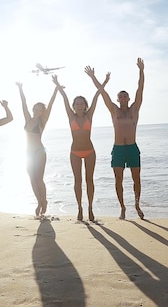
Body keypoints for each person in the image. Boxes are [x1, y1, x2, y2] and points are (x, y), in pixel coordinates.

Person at [86, 58, 145, 220]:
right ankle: (122, 207)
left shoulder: (135, 109)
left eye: (126, 96)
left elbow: (140, 89)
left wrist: (141, 71)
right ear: (118, 99)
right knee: (118, 179)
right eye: (121, 97)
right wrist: (93, 77)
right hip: (118, 148)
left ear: (129, 99)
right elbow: (102, 93)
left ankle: (137, 204)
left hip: (132, 148)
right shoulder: (114, 111)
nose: (124, 99)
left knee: (136, 179)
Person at [51, 71, 109, 221]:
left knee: (90, 180)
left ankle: (90, 207)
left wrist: (103, 82)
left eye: (81, 104)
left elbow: (97, 95)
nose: (79, 106)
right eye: (76, 104)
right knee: (78, 180)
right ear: (74, 106)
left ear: (85, 106)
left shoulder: (89, 115)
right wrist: (58, 85)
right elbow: (64, 98)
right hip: (75, 152)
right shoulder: (71, 116)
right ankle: (79, 208)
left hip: (90, 151)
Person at [16, 82, 59, 218]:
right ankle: (39, 202)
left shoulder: (42, 121)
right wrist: (21, 89)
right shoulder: (28, 119)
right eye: (36, 108)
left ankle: (44, 200)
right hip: (28, 153)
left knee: (39, 179)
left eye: (41, 110)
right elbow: (23, 104)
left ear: (42, 112)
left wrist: (56, 89)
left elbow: (51, 105)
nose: (38, 111)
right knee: (32, 179)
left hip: (40, 151)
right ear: (34, 109)